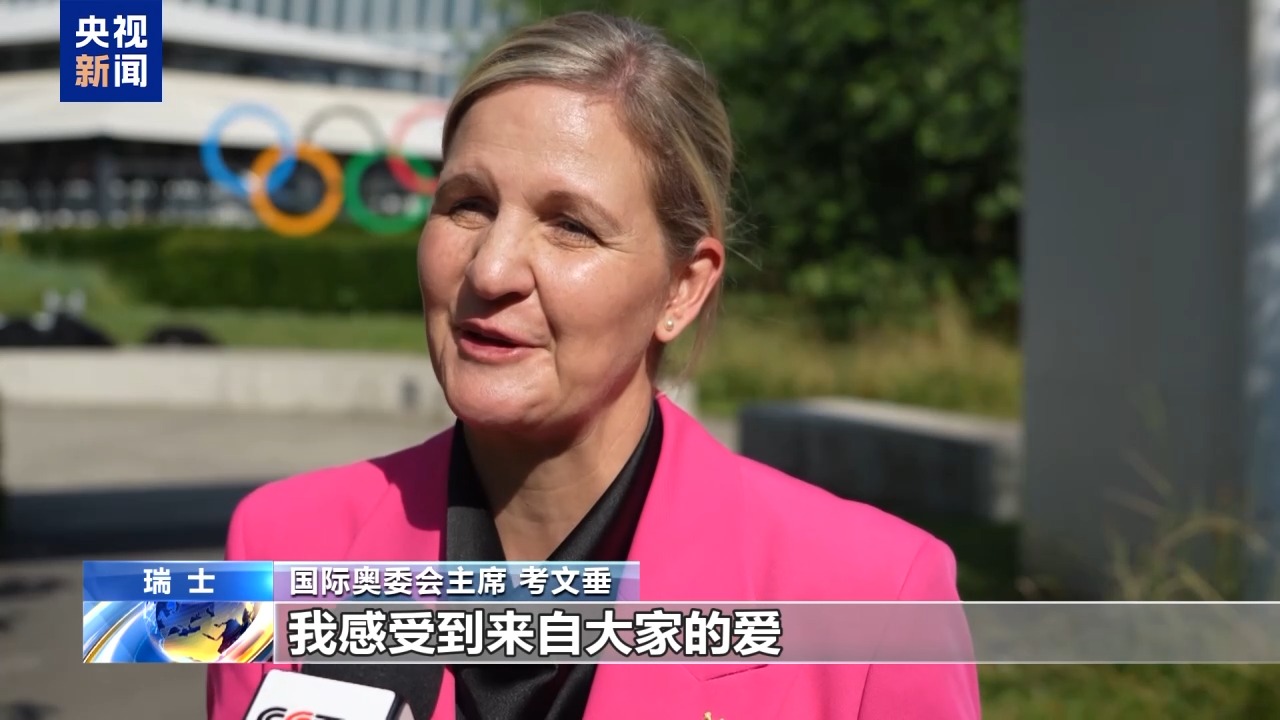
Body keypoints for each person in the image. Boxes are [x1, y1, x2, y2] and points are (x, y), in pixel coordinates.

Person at [207, 11, 980, 720]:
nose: (492, 269)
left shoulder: (879, 597)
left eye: (570, 225)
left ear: (682, 288)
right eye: (468, 204)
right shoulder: (278, 544)